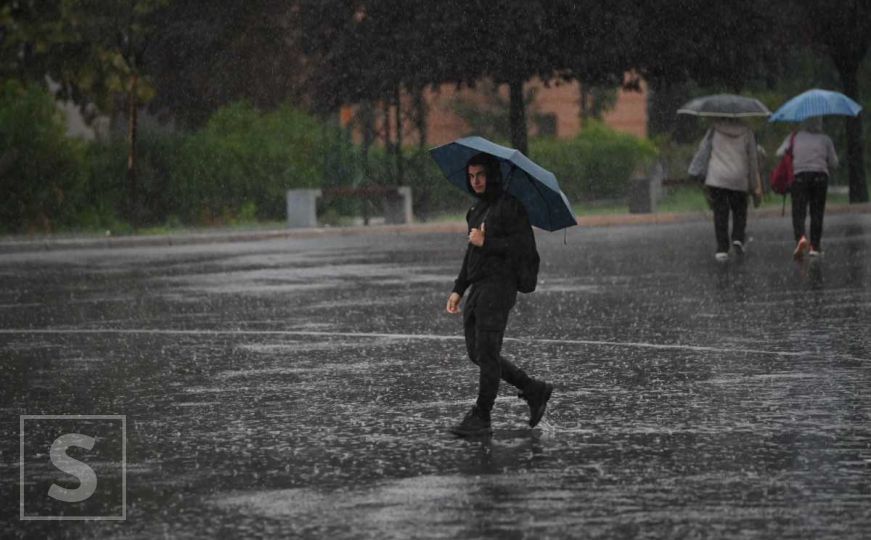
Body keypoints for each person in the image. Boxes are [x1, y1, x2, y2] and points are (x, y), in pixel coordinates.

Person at [446, 152, 553, 437]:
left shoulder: (511, 207)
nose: (475, 181)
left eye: (480, 175)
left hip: (499, 287)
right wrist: (459, 289)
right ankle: (533, 389)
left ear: (491, 175)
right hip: (478, 288)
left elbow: (523, 249)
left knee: (488, 352)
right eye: (471, 176)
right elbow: (471, 251)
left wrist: (488, 241)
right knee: (478, 353)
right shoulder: (476, 210)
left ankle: (482, 416)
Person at [688, 118, 763, 261]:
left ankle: (722, 248)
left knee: (720, 212)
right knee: (740, 208)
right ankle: (737, 237)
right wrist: (754, 185)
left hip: (717, 177)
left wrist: (697, 171)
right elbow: (753, 159)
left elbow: (704, 150)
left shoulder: (714, 129)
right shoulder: (747, 131)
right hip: (739, 177)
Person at [775, 117, 838, 259]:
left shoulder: (795, 137)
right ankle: (815, 247)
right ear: (820, 123)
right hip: (820, 177)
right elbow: (834, 162)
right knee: (817, 212)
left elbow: (780, 152)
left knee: (799, 211)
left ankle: (800, 239)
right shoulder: (825, 139)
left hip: (799, 178)